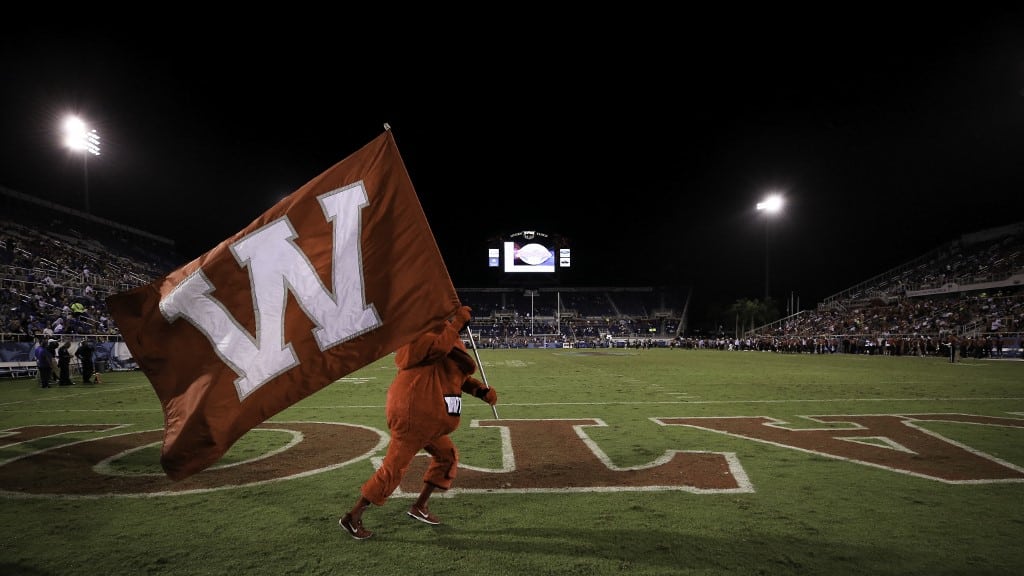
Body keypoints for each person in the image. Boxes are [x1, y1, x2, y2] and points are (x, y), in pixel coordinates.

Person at [339, 306, 498, 540]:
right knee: (394, 469)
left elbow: (456, 376)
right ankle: (353, 516)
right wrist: (455, 325)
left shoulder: (449, 341)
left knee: (447, 456)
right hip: (414, 413)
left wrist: (480, 390)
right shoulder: (423, 337)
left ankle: (419, 506)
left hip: (430, 418)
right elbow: (432, 350)